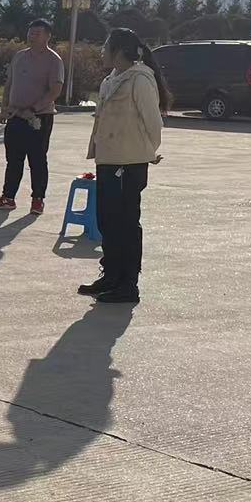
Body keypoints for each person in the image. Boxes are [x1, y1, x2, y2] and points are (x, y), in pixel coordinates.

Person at [81, 27, 168, 305]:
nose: (101, 52)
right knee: (107, 220)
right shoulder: (111, 79)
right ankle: (111, 275)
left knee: (126, 223)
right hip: (109, 158)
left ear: (118, 51)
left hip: (129, 163)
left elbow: (153, 122)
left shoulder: (140, 79)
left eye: (105, 47)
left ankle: (128, 284)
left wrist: (145, 152)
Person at [0, 18, 65, 215]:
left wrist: (34, 109)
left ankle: (38, 199)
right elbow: (9, 84)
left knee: (37, 159)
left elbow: (55, 90)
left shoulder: (53, 60)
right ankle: (8, 197)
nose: (32, 36)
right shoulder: (20, 56)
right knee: (13, 159)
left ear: (48, 36)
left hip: (38, 118)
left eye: (37, 33)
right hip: (15, 115)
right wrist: (4, 108)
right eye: (30, 32)